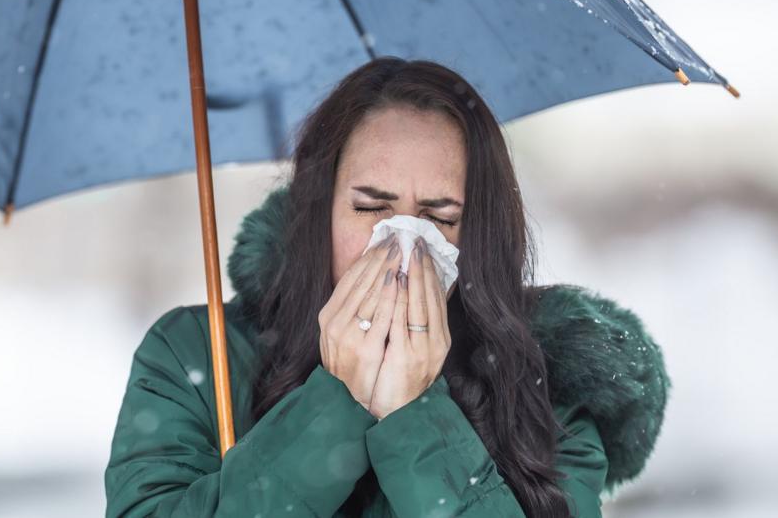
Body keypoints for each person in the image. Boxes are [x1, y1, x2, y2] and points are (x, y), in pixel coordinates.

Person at [104, 57, 670, 517]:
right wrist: (336, 403)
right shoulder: (196, 356)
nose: (402, 246)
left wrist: (414, 411)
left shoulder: (549, 386)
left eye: (439, 218)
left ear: (479, 234)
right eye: (371, 207)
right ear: (318, 212)